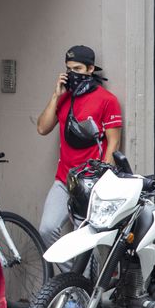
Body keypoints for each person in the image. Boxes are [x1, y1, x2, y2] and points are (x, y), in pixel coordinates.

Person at [36, 45, 122, 269]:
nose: (72, 73)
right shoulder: (65, 97)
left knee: (85, 244)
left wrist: (100, 179)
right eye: (68, 69)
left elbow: (113, 143)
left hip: (90, 182)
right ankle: (72, 283)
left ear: (90, 68)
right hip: (64, 179)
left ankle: (82, 294)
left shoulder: (107, 100)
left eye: (77, 68)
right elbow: (42, 128)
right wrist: (56, 96)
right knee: (46, 229)